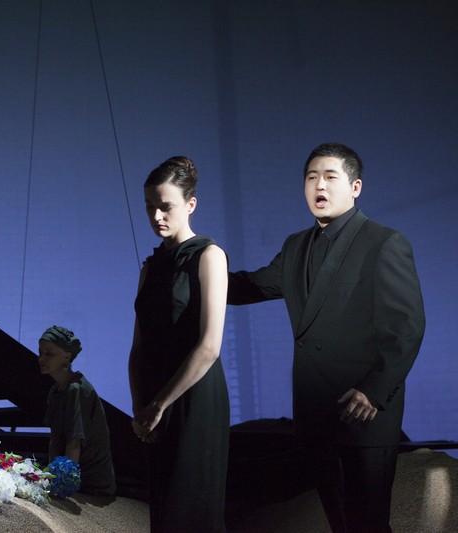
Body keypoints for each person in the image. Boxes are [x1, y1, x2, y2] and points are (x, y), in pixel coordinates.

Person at [227, 143, 425, 532]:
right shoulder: (296, 245)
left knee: (367, 524)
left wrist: (373, 391)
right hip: (316, 413)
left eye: (330, 177)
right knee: (338, 522)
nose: (319, 185)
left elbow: (406, 326)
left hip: (364, 412)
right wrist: (197, 267)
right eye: (311, 177)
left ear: (355, 187)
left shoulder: (384, 242)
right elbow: (250, 286)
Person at [129, 156, 229, 532]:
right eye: (149, 207)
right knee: (164, 511)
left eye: (165, 206)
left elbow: (210, 346)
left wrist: (159, 404)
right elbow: (137, 347)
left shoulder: (209, 256)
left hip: (195, 398)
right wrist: (140, 405)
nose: (156, 216)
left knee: (191, 507)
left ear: (191, 204)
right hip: (153, 402)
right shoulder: (149, 268)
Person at [39, 325, 116, 496]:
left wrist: (63, 483)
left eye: (49, 354)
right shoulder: (55, 391)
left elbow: (74, 442)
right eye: (41, 353)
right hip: (72, 474)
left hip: (92, 482)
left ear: (67, 356)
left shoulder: (77, 389)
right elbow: (55, 438)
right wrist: (50, 475)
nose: (42, 359)